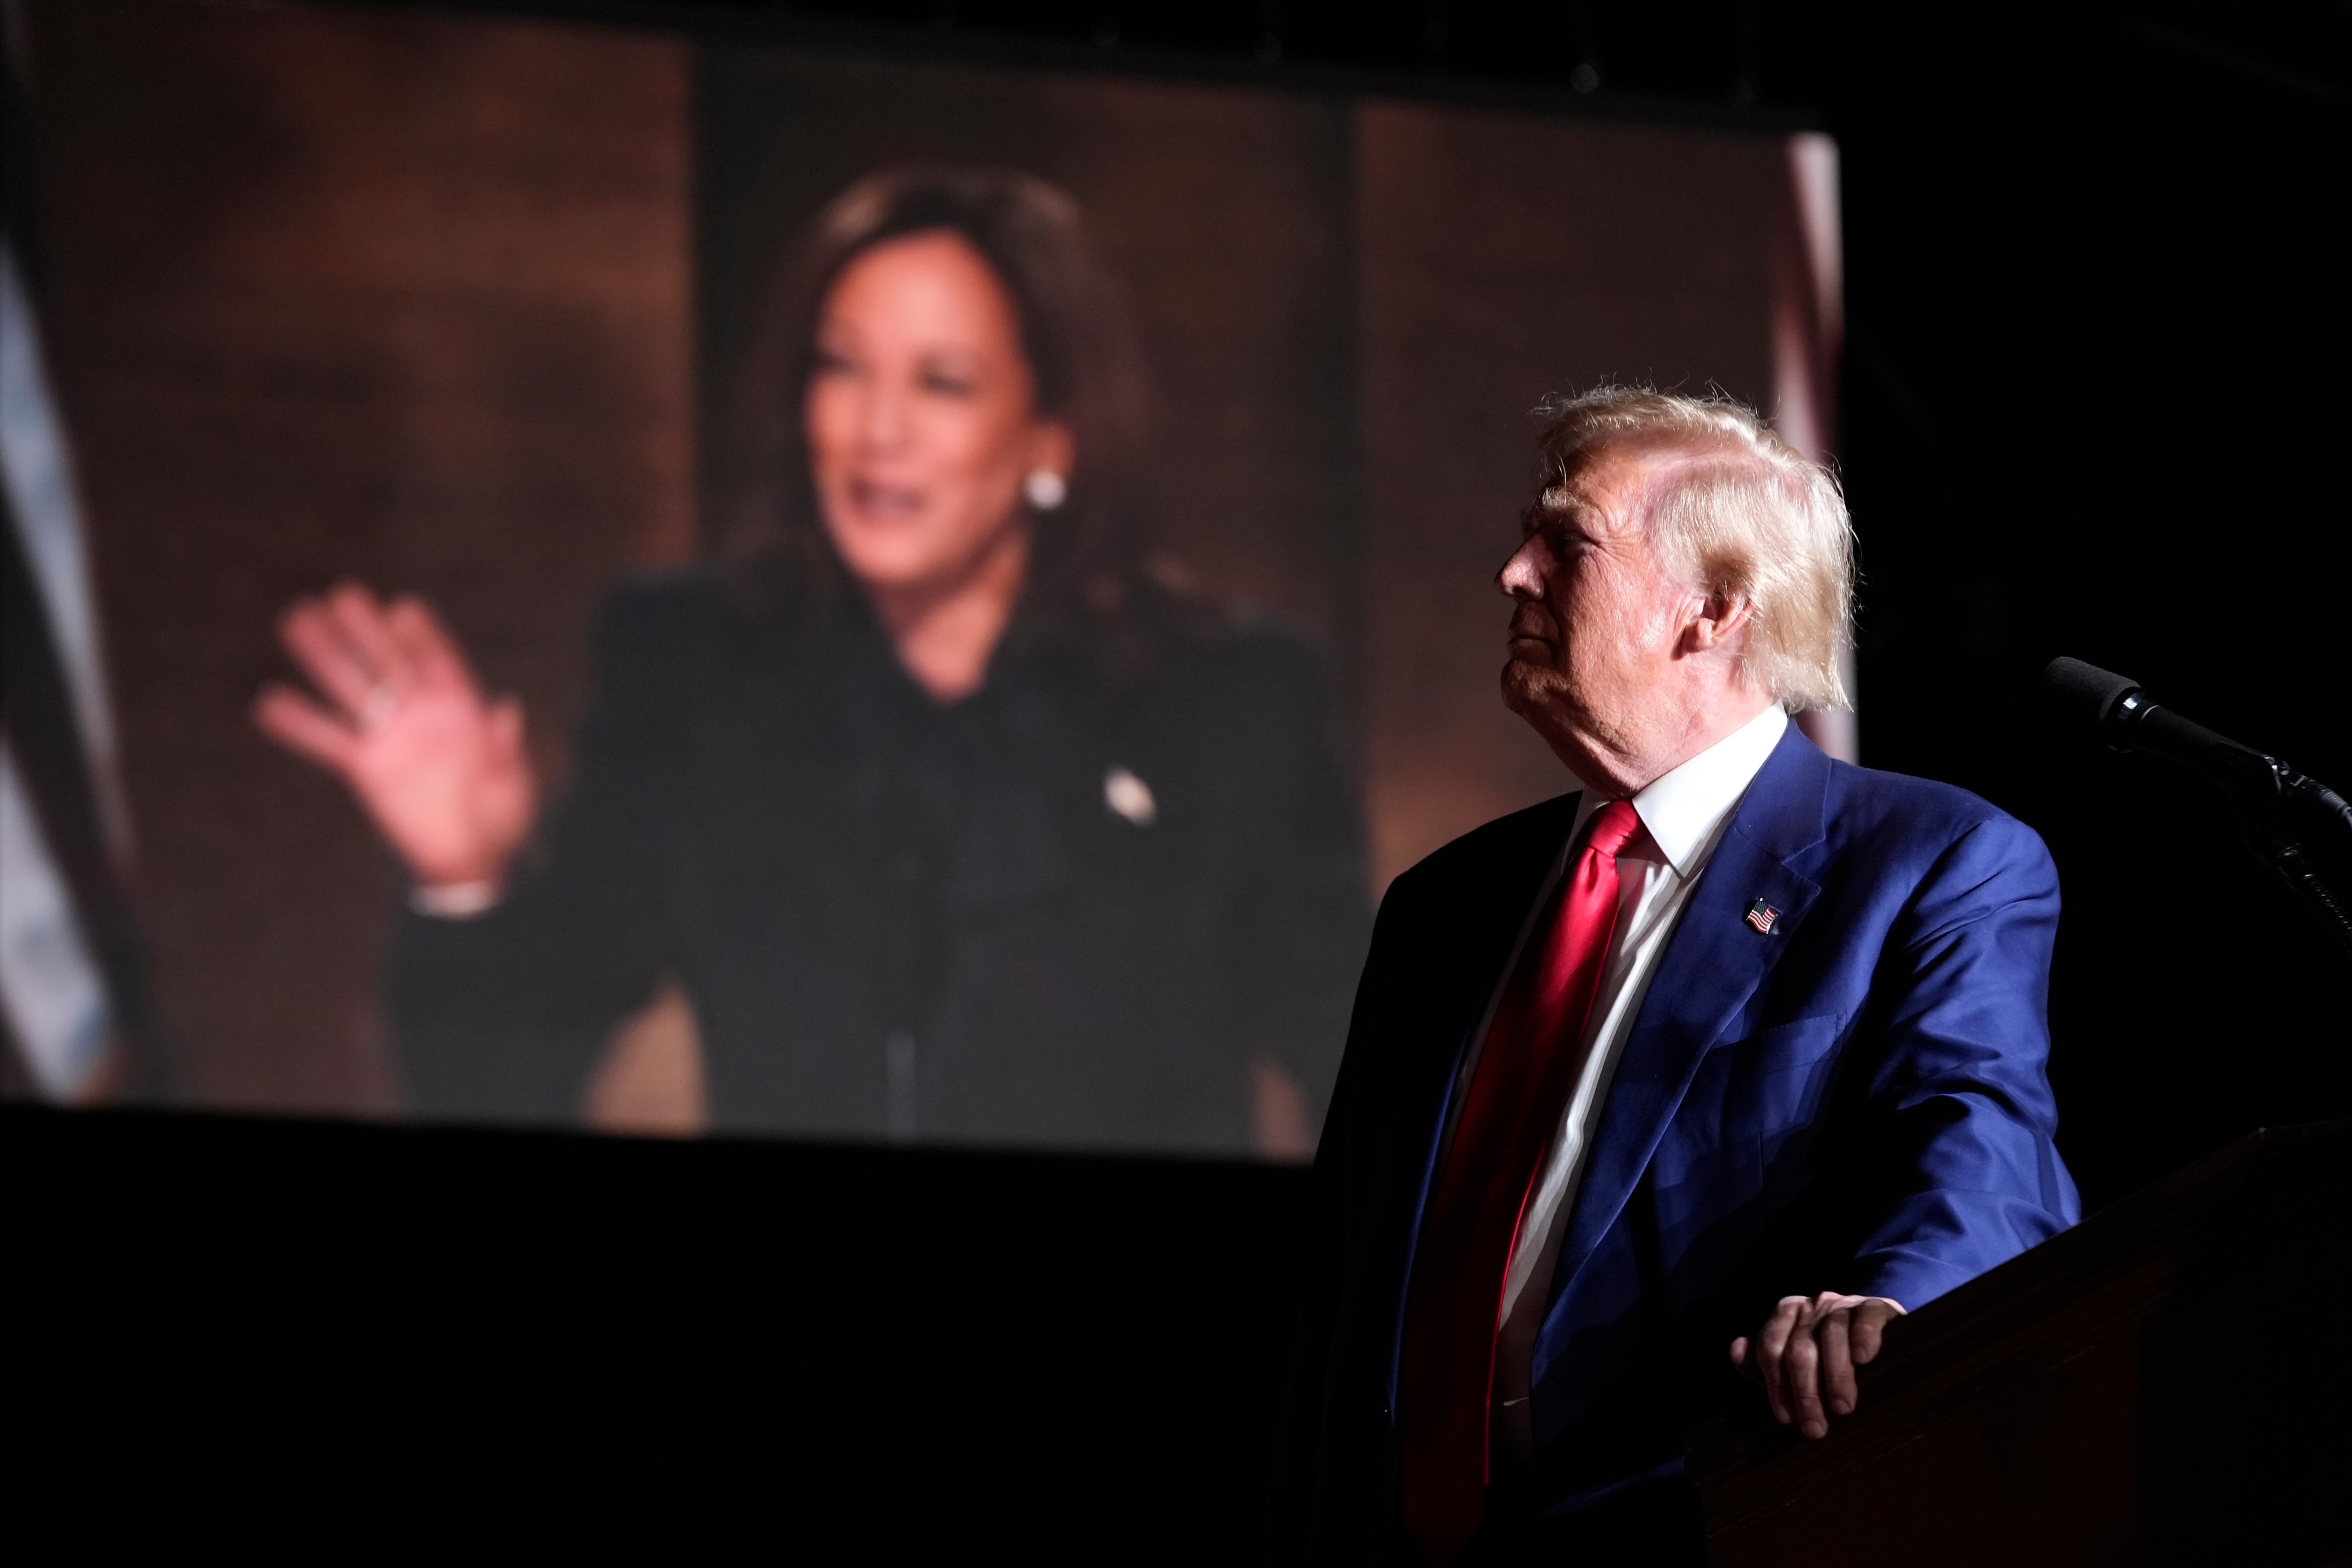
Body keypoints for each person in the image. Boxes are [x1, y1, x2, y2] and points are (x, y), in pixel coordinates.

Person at [252, 166, 1369, 1156]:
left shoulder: (1227, 701)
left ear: (1051, 435)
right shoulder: (694, 667)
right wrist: (466, 880)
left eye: (942, 382)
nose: (876, 427)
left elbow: (1370, 1084)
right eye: (841, 366)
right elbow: (500, 1084)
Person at [1288, 388, 2079, 1562]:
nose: (1511, 573)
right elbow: (1344, 1259)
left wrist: (1891, 1307)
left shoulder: (1929, 863)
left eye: (1565, 542)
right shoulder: (1444, 904)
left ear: (1711, 609)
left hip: (1696, 1524)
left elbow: (1980, 1138)